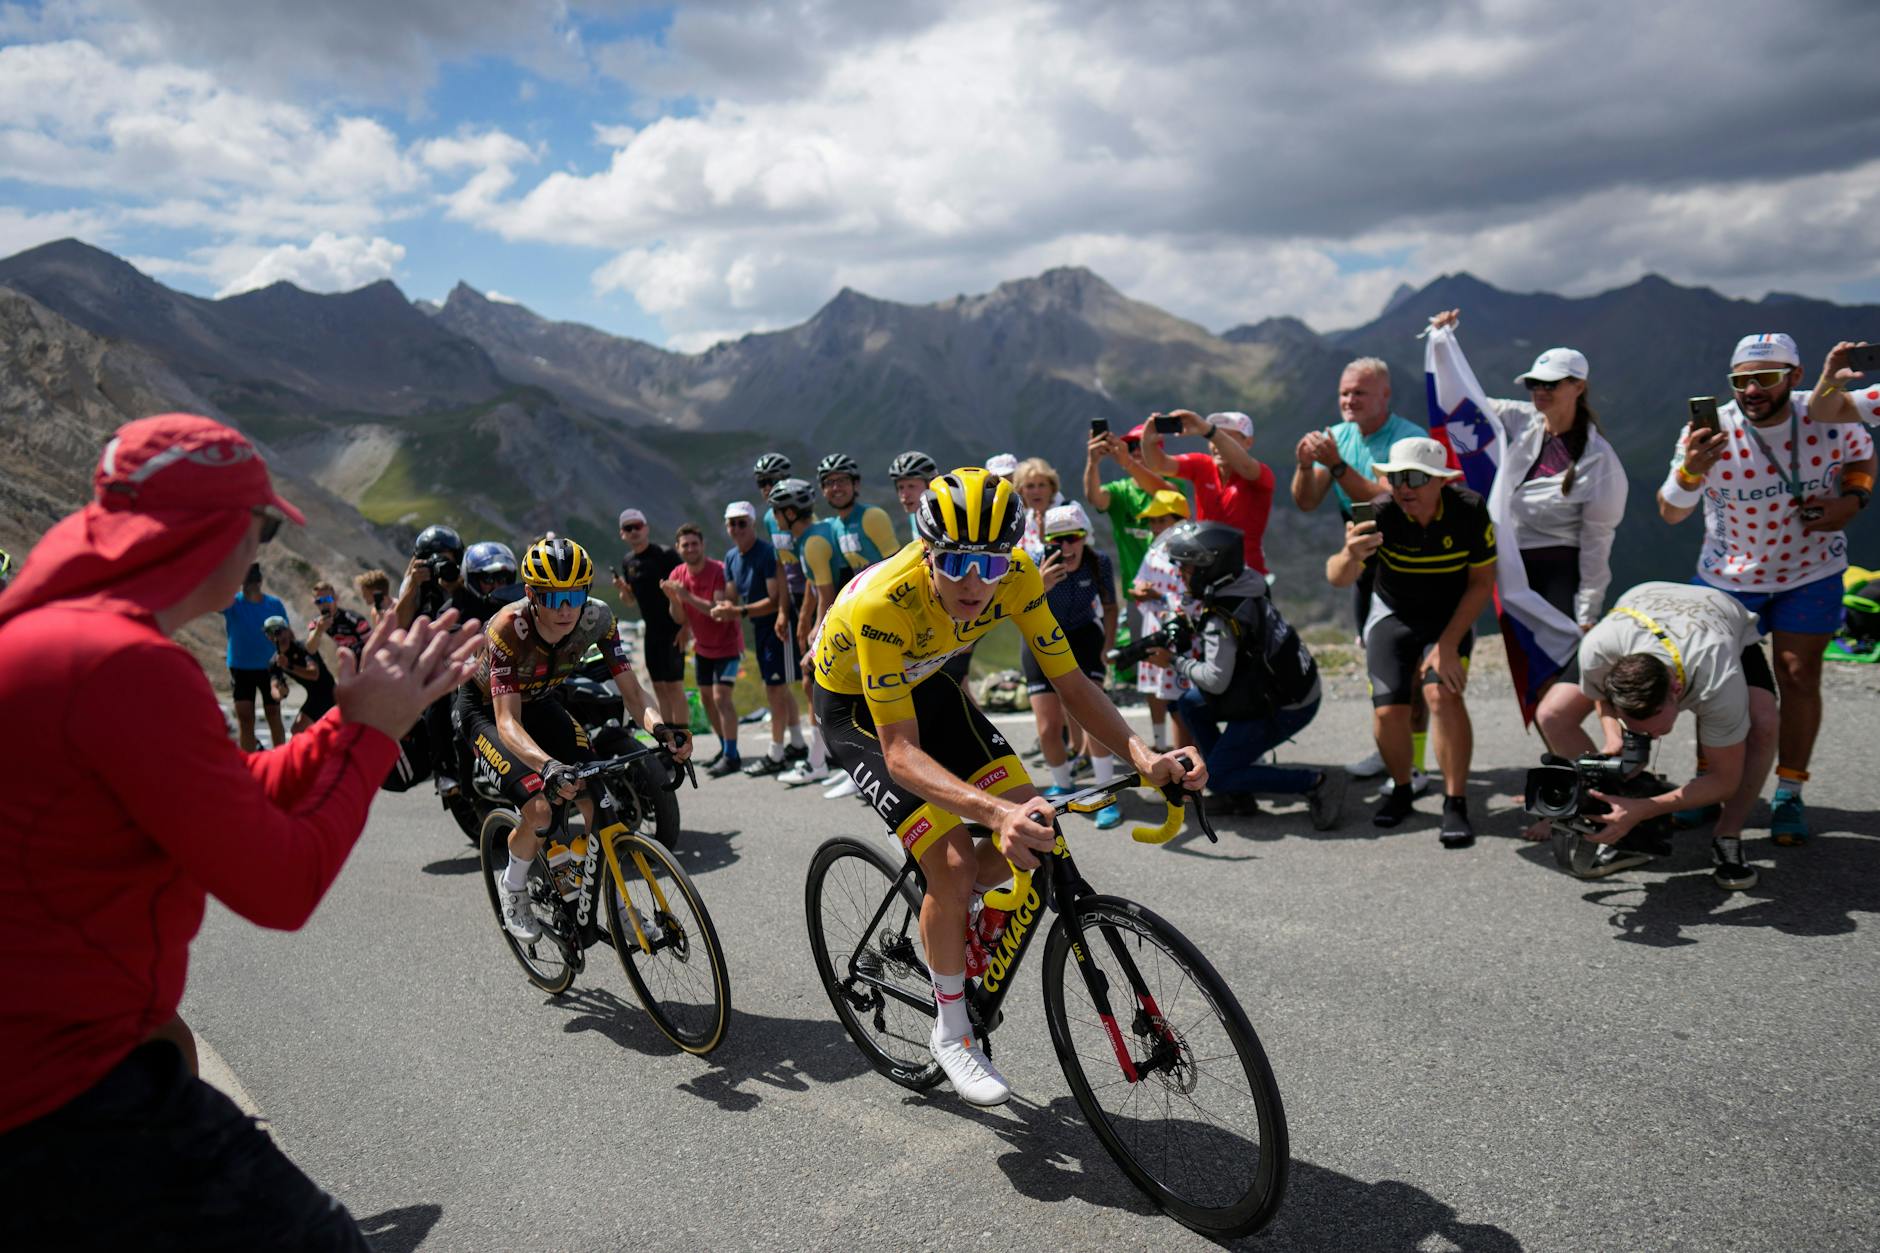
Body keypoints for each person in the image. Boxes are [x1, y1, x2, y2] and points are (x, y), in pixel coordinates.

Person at [0, 412, 481, 1248]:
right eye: (260, 527)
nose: (258, 549)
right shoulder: (126, 664)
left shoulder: (60, 634)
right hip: (63, 1091)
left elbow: (214, 792)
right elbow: (281, 885)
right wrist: (375, 735)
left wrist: (344, 723)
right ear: (218, 532)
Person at [809, 466, 1204, 1105]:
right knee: (957, 860)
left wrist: (1146, 755)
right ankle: (953, 1031)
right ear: (929, 552)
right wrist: (991, 815)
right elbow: (901, 753)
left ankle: (964, 915)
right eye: (959, 563)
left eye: (991, 565)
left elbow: (1073, 684)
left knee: (1033, 826)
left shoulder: (1020, 577)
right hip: (855, 709)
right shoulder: (885, 603)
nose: (975, 584)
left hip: (928, 684)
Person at [1656, 332, 1876, 845]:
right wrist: (1691, 470)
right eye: (1741, 381)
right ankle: (1711, 785)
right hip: (1726, 577)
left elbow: (1863, 457)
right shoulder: (1710, 431)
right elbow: (1669, 512)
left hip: (1811, 570)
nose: (1751, 389)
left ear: (1795, 378)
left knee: (1798, 676)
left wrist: (1853, 500)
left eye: (1766, 378)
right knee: (1713, 685)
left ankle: (1789, 792)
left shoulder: (1828, 414)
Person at [456, 537, 688, 941]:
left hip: (542, 701)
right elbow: (508, 721)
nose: (565, 608)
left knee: (599, 800)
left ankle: (620, 911)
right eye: (552, 597)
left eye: (575, 594)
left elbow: (633, 693)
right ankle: (512, 887)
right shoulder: (509, 628)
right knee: (541, 810)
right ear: (531, 594)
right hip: (487, 712)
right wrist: (546, 766)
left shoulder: (597, 618)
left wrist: (661, 729)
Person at [1532, 582, 1777, 889]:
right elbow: (1602, 697)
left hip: (1717, 617)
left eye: (1651, 722)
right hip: (1638, 609)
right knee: (1552, 715)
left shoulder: (1716, 677)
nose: (1644, 732)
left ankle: (1728, 834)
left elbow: (1724, 781)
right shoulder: (1599, 650)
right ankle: (1617, 818)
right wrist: (1613, 738)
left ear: (1677, 691)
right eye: (1632, 721)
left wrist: (1646, 807)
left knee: (1764, 725)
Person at [1327, 436, 1497, 845]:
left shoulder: (1468, 510)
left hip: (1448, 617)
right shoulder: (1381, 513)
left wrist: (1448, 644)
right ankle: (1402, 789)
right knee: (1389, 711)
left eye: (1416, 477)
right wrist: (1351, 555)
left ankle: (1455, 802)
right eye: (1396, 477)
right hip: (1393, 614)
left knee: (1443, 696)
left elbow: (1482, 583)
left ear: (1441, 481)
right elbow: (1337, 577)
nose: (1404, 486)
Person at [1427, 311, 1629, 636]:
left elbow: (1597, 541)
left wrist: (1588, 611)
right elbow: (1463, 402)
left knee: (1551, 662)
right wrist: (1443, 344)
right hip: (1510, 566)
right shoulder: (1522, 419)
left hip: (1557, 572)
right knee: (1524, 660)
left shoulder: (1600, 461)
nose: (1539, 390)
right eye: (1534, 383)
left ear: (1578, 387)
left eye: (1550, 383)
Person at [1149, 521, 1343, 827]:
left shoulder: (1221, 618)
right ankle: (1234, 790)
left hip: (1285, 703)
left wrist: (1173, 661)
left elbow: (1215, 679)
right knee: (1189, 703)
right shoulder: (1246, 581)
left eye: (1186, 569)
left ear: (1208, 569)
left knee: (1219, 773)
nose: (1181, 575)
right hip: (1289, 684)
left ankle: (1315, 782)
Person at [1290, 359, 1426, 782]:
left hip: (1413, 565)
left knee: (1415, 671)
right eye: (1344, 393)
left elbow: (1393, 500)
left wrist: (1336, 467)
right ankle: (1388, 750)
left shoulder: (1410, 440)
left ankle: (1416, 764)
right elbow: (1307, 501)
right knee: (1378, 663)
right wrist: (1302, 465)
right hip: (1367, 564)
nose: (1349, 400)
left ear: (1385, 396)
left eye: (1359, 393)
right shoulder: (1338, 437)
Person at [1025, 502, 1123, 827]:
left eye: (1073, 538)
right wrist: (1039, 586)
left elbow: (1110, 606)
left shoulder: (1099, 563)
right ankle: (1064, 785)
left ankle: (1105, 791)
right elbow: (1018, 610)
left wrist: (1107, 647)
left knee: (1093, 718)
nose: (1066, 547)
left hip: (1083, 636)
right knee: (1048, 727)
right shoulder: (1034, 563)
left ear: (1085, 538)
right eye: (1058, 540)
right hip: (1040, 637)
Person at [713, 501, 808, 775]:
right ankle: (798, 742)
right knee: (777, 687)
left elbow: (774, 599)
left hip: (777, 625)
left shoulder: (767, 553)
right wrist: (721, 606)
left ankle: (776, 752)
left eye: (742, 522)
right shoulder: (731, 557)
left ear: (753, 524)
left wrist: (738, 610)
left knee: (775, 689)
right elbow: (731, 595)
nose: (737, 528)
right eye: (732, 523)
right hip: (758, 627)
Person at [767, 477, 845, 789]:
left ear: (789, 512)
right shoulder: (811, 535)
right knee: (814, 685)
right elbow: (813, 585)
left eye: (776, 511)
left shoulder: (812, 542)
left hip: (841, 618)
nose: (773, 518)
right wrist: (803, 619)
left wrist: (815, 631)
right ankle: (823, 757)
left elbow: (826, 593)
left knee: (815, 684)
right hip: (837, 614)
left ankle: (819, 761)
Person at [1135, 410, 1277, 575]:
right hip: (1204, 571)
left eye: (1229, 437)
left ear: (1248, 442)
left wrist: (1210, 432)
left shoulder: (1260, 474)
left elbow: (1245, 467)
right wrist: (1149, 442)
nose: (1218, 444)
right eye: (1214, 439)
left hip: (1245, 573)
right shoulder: (1202, 465)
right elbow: (1160, 465)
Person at [661, 523, 746, 776]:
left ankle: (732, 756)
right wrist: (673, 598)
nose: (690, 548)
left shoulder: (718, 570)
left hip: (728, 644)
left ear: (703, 545)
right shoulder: (677, 573)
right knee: (708, 700)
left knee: (721, 698)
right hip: (703, 647)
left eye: (694, 543)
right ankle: (725, 748)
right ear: (678, 548)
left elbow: (717, 611)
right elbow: (677, 617)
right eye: (685, 545)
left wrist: (684, 596)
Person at [1130, 490, 1198, 750]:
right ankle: (1160, 743)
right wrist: (1138, 591)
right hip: (1155, 626)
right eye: (1153, 521)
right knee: (1158, 691)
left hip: (1182, 634)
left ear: (1179, 520)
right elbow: (1138, 581)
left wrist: (1159, 595)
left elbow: (1191, 598)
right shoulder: (1154, 551)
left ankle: (1188, 750)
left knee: (1181, 696)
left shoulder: (1190, 554)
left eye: (1162, 520)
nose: (1156, 526)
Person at [612, 507, 690, 731]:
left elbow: (685, 591)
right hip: (651, 632)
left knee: (675, 687)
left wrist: (687, 626)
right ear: (622, 534)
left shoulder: (666, 555)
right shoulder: (628, 562)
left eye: (638, 526)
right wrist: (623, 590)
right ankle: (670, 736)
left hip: (673, 628)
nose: (634, 531)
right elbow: (630, 600)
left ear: (646, 528)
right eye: (629, 528)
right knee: (659, 687)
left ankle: (683, 735)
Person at [221, 561, 289, 751]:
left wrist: (286, 657)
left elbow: (286, 634)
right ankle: (249, 765)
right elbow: (215, 602)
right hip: (240, 667)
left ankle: (280, 759)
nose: (249, 585)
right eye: (245, 581)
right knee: (245, 717)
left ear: (259, 582)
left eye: (252, 581)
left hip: (270, 667)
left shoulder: (274, 604)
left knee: (273, 713)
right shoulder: (233, 603)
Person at [817, 452, 900, 580]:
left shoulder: (873, 516)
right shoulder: (836, 527)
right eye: (829, 482)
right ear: (823, 490)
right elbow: (846, 575)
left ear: (855, 484)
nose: (836, 487)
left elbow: (897, 565)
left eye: (842, 480)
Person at [266, 614, 337, 733]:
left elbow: (314, 674)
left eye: (279, 631)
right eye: (271, 633)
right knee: (297, 730)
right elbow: (274, 687)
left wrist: (288, 666)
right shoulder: (275, 661)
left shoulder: (305, 647)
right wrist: (281, 694)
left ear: (288, 631)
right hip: (315, 697)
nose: (277, 637)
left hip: (330, 694)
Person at [391, 524, 465, 629]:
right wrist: (412, 586)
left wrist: (457, 586)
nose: (440, 567)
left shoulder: (463, 580)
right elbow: (398, 625)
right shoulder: (417, 582)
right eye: (434, 561)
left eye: (445, 560)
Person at [306, 578, 371, 665]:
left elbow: (373, 645)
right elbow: (311, 649)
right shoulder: (316, 623)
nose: (324, 604)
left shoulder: (354, 619)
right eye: (319, 601)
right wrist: (319, 630)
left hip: (366, 663)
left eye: (328, 599)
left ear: (336, 598)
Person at [1012, 456, 1064, 561]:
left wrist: (1047, 540)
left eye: (1042, 485)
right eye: (1030, 486)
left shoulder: (1070, 511)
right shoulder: (1023, 524)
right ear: (1021, 491)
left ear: (1052, 487)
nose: (1036, 491)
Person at [889, 450, 940, 540]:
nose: (904, 495)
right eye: (900, 487)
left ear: (931, 485)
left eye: (911, 486)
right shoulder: (915, 514)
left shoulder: (945, 521)